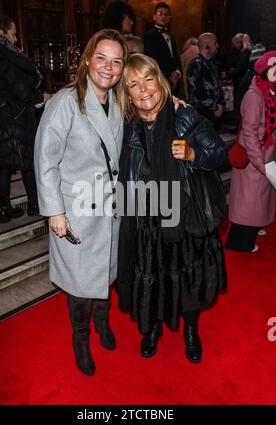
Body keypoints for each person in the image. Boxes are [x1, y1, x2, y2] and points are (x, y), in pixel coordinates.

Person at [116, 54, 227, 363]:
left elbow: (218, 152)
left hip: (184, 215)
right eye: (133, 84)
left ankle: (190, 330)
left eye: (148, 79)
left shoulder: (184, 115)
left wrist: (193, 154)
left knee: (187, 276)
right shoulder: (125, 125)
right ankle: (152, 327)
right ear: (126, 92)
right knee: (152, 274)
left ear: (160, 81)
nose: (143, 90)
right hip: (145, 220)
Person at [34, 29, 128, 376]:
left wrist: (174, 101)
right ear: (87, 59)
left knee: (107, 275)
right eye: (101, 58)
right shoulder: (65, 103)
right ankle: (80, 339)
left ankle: (103, 325)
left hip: (112, 208)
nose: (108, 67)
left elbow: (151, 102)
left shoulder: (119, 102)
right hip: (76, 213)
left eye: (117, 61)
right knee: (80, 284)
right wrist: (55, 213)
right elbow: (45, 161)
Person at [0, 14, 50, 222]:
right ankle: (35, 206)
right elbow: (16, 85)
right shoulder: (3, 53)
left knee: (3, 165)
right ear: (1, 32)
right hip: (13, 116)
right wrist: (37, 98)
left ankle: (5, 209)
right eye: (13, 34)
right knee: (27, 161)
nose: (16, 39)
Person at [225, 51, 276, 252]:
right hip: (254, 156)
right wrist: (259, 162)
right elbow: (250, 132)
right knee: (249, 201)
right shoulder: (255, 95)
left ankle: (254, 226)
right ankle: (240, 242)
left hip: (266, 154)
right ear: (265, 72)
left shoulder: (269, 91)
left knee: (260, 198)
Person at [187, 32, 224, 128]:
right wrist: (215, 107)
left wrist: (220, 103)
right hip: (202, 113)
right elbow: (197, 92)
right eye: (215, 43)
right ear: (207, 46)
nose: (217, 46)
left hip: (212, 113)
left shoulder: (210, 63)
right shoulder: (195, 64)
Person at [143, 2, 182, 94]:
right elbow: (153, 60)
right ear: (154, 17)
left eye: (166, 14)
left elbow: (176, 57)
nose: (163, 16)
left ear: (169, 18)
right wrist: (168, 78)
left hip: (174, 82)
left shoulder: (171, 37)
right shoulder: (149, 36)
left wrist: (177, 73)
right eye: (160, 14)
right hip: (159, 79)